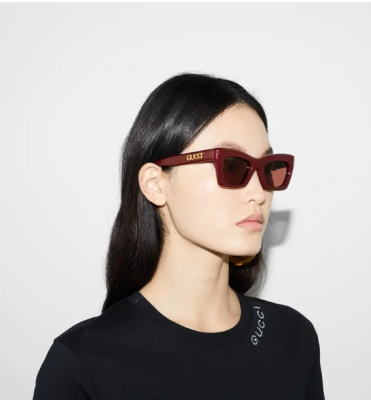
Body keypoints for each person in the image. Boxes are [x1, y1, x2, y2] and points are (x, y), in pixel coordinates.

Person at [32, 72, 325, 399]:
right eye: (232, 166)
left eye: (266, 168)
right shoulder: (83, 363)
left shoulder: (292, 338)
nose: (259, 193)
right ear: (155, 183)